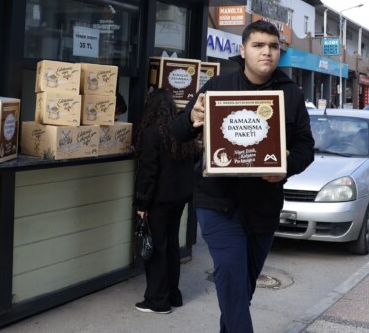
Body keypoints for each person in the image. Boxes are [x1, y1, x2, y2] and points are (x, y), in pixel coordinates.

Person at [173, 20, 315, 332]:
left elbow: (306, 148)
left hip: (263, 207)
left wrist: (286, 167)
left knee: (242, 290)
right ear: (242, 50)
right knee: (230, 274)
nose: (267, 52)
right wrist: (192, 117)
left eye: (273, 46)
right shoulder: (217, 87)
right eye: (258, 45)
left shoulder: (291, 94)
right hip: (217, 202)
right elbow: (178, 131)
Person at [133, 88, 200, 314]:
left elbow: (148, 172)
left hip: (158, 200)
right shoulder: (179, 131)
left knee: (156, 248)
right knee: (171, 245)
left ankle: (158, 301)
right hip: (179, 198)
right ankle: (173, 295)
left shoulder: (151, 132)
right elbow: (194, 158)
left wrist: (142, 204)